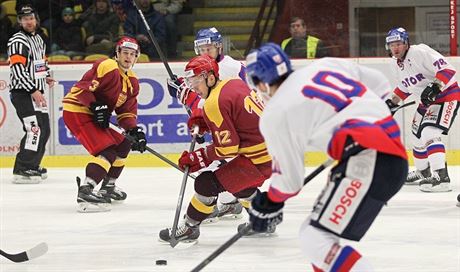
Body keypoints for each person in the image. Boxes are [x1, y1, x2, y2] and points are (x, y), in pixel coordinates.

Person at [245, 43, 408, 271]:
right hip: (387, 155)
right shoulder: (325, 65)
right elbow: (379, 82)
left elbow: (289, 182)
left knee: (314, 238)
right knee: (319, 239)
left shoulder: (276, 112)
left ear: (261, 82)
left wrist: (270, 203)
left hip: (367, 160)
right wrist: (372, 114)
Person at [158, 55, 272, 243]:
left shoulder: (214, 102)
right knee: (237, 184)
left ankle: (189, 228)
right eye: (190, 81)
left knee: (205, 183)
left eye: (196, 80)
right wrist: (205, 121)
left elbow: (228, 148)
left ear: (211, 77)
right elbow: (237, 118)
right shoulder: (232, 83)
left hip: (259, 159)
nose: (193, 87)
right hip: (273, 150)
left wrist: (199, 157)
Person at [167, 27, 247, 222]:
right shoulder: (203, 67)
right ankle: (230, 203)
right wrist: (182, 90)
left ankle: (229, 204)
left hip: (236, 125)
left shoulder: (230, 67)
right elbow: (204, 98)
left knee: (215, 165)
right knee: (212, 164)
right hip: (221, 122)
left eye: (209, 48)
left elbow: (213, 100)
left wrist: (186, 95)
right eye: (201, 49)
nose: (205, 52)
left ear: (219, 47)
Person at [62, 36, 147, 212]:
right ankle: (86, 191)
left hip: (95, 115)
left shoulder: (132, 81)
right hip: (77, 110)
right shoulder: (107, 66)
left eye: (132, 54)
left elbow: (126, 112)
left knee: (124, 143)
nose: (128, 57)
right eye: (125, 52)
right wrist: (96, 105)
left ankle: (108, 186)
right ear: (117, 53)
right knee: (107, 151)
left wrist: (134, 130)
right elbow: (82, 89)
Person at [384, 27, 459, 192]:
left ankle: (441, 177)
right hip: (427, 101)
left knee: (429, 132)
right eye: (392, 45)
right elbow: (405, 87)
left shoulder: (419, 52)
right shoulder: (395, 64)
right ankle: (423, 172)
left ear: (406, 43)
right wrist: (392, 102)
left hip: (447, 95)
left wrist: (435, 87)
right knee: (417, 136)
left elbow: (447, 70)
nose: (395, 48)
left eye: (398, 44)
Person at [7, 5, 55, 184]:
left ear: (36, 19)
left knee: (44, 129)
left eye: (31, 18)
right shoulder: (17, 41)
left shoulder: (38, 40)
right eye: (24, 18)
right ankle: (22, 168)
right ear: (19, 21)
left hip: (35, 92)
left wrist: (46, 76)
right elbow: (18, 71)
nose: (28, 21)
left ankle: (33, 165)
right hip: (23, 93)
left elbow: (39, 64)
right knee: (33, 129)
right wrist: (33, 90)